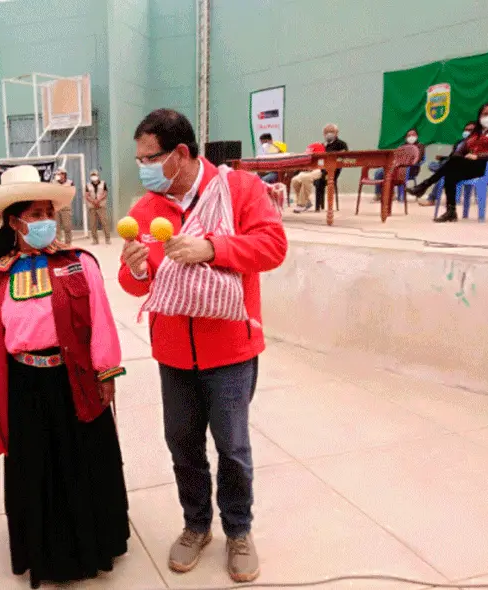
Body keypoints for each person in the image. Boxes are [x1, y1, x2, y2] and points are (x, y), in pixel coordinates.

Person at [0, 164, 129, 589]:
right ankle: (47, 554)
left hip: (74, 382)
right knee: (36, 471)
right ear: (14, 220)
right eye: (36, 213)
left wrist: (106, 372)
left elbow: (101, 320)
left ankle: (93, 546)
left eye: (49, 211)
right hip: (23, 389)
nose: (46, 220)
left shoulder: (80, 265)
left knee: (85, 464)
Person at [119, 109, 287, 583]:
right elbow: (135, 286)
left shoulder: (238, 191)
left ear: (180, 154)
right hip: (173, 354)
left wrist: (213, 248)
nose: (143, 168)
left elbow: (273, 247)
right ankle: (197, 525)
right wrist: (134, 268)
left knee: (232, 447)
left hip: (230, 351)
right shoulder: (146, 210)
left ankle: (238, 530)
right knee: (182, 444)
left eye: (149, 158)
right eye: (138, 160)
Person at [407, 102, 488, 222]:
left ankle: (424, 185)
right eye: (485, 114)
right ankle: (451, 211)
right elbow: (460, 150)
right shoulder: (475, 134)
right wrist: (458, 155)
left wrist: (478, 156)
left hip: (486, 168)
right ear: (480, 116)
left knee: (450, 165)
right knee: (450, 173)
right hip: (468, 167)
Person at [416, 121, 477, 206]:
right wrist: (443, 158)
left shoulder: (476, 143)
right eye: (466, 130)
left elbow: (472, 156)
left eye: (470, 130)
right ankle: (441, 167)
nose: (467, 132)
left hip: (465, 166)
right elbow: (453, 155)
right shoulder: (459, 142)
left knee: (444, 173)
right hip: (453, 163)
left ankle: (431, 199)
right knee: (433, 165)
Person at [306, 123, 349, 213]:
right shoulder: (322, 145)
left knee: (316, 180)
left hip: (332, 172)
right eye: (327, 132)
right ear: (324, 134)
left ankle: (311, 205)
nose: (329, 133)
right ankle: (306, 201)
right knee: (298, 175)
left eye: (331, 131)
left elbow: (344, 158)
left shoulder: (342, 144)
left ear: (337, 133)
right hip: (319, 169)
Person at [372, 128, 425, 200]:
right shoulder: (402, 146)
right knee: (379, 172)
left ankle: (399, 196)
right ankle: (379, 194)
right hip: (397, 167)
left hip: (412, 169)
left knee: (397, 172)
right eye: (409, 135)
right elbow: (396, 158)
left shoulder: (420, 146)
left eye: (413, 135)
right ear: (406, 138)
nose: (411, 137)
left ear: (417, 136)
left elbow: (418, 159)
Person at [289, 141, 327, 212]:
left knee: (305, 178)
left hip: (319, 171)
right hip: (308, 171)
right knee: (295, 180)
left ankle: (301, 204)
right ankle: (307, 202)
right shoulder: (309, 153)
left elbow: (323, 166)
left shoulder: (322, 156)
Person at [84, 169, 111, 245]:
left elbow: (105, 193)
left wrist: (98, 200)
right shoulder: (88, 185)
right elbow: (86, 195)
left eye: (95, 175)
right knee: (93, 224)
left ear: (98, 176)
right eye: (92, 175)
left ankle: (107, 239)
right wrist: (93, 201)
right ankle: (95, 240)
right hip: (92, 207)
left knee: (104, 222)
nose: (94, 177)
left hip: (101, 206)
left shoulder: (103, 183)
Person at [53, 168, 75, 243]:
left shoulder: (70, 182)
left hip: (66, 208)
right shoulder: (53, 182)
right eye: (57, 174)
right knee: (56, 228)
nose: (58, 175)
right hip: (56, 208)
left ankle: (68, 244)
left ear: (64, 175)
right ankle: (58, 244)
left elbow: (72, 193)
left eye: (59, 174)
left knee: (67, 227)